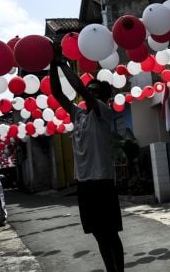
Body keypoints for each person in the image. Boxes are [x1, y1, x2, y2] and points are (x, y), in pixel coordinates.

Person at [49, 48, 124, 272]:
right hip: (85, 183)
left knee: (110, 233)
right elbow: (57, 94)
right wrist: (52, 65)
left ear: (102, 97)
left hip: (102, 181)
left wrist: (63, 63)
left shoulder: (103, 112)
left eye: (94, 92)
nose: (88, 94)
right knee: (98, 234)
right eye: (90, 91)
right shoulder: (79, 115)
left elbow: (80, 88)